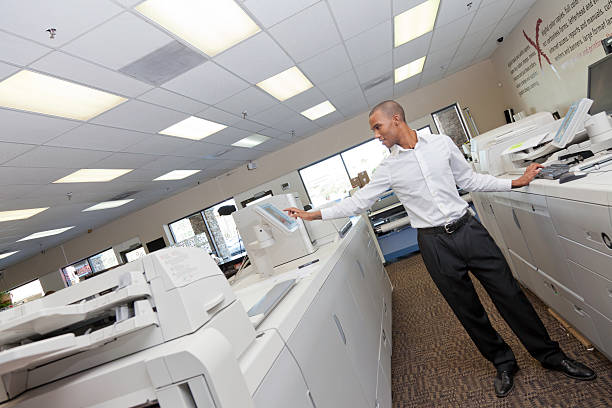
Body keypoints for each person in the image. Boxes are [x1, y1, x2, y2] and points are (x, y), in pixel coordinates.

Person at [284, 100, 596, 398]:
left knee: (510, 295)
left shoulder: (442, 144)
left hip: (469, 230)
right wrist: (312, 214)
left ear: (396, 119)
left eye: (378, 127)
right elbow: (359, 201)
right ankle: (503, 363)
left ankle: (551, 356)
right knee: (467, 310)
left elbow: (471, 179)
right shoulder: (389, 169)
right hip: (434, 245)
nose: (376, 135)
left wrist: (516, 182)